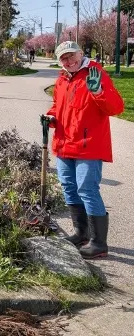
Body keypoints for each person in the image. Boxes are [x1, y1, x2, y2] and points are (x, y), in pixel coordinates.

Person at [45, 41, 124, 259]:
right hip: (64, 143)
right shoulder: (62, 79)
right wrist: (50, 117)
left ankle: (99, 243)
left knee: (87, 189)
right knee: (69, 188)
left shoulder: (94, 73)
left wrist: (98, 90)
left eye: (71, 56)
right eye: (63, 58)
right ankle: (81, 233)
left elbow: (116, 107)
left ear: (81, 53)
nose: (68, 61)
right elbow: (58, 107)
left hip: (88, 144)